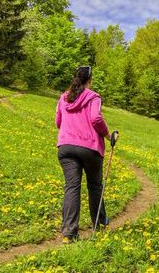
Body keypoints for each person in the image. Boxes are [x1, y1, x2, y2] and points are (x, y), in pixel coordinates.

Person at [55, 66, 110, 242]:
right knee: (94, 186)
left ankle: (68, 234)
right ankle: (100, 225)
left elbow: (58, 122)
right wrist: (108, 135)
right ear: (90, 80)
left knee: (71, 187)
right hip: (89, 147)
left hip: (66, 147)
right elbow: (95, 118)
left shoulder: (64, 97)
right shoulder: (93, 97)